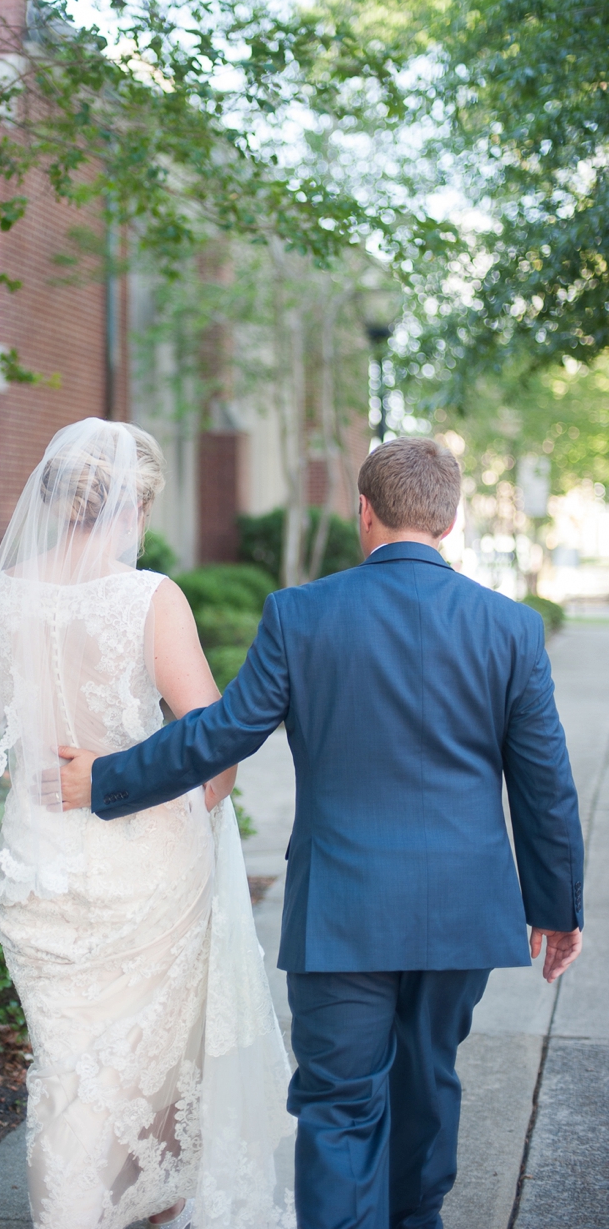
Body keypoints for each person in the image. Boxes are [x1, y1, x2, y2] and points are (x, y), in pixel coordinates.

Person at [59, 436, 585, 1229]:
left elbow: (223, 733)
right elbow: (546, 783)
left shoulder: (300, 614)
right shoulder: (509, 628)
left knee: (340, 1106)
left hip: (343, 910)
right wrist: (558, 905)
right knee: (429, 1079)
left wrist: (106, 777)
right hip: (462, 909)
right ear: (449, 520)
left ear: (363, 513)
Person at [0, 418, 295, 1229]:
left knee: (68, 1062)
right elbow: (215, 743)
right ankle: (145, 1201)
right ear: (133, 505)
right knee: (156, 1052)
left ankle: (84, 1205)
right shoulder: (148, 598)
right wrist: (197, 819)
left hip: (39, 859)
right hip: (146, 856)